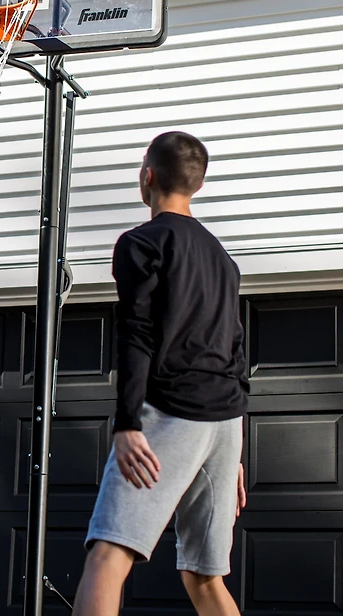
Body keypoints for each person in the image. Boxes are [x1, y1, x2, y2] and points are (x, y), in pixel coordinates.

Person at [73, 131, 250, 616]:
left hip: (171, 414)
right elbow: (236, 353)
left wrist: (128, 423)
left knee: (107, 556)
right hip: (223, 425)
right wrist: (232, 452)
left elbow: (136, 336)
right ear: (198, 184)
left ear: (146, 177)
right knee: (205, 577)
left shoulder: (141, 244)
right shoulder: (224, 260)